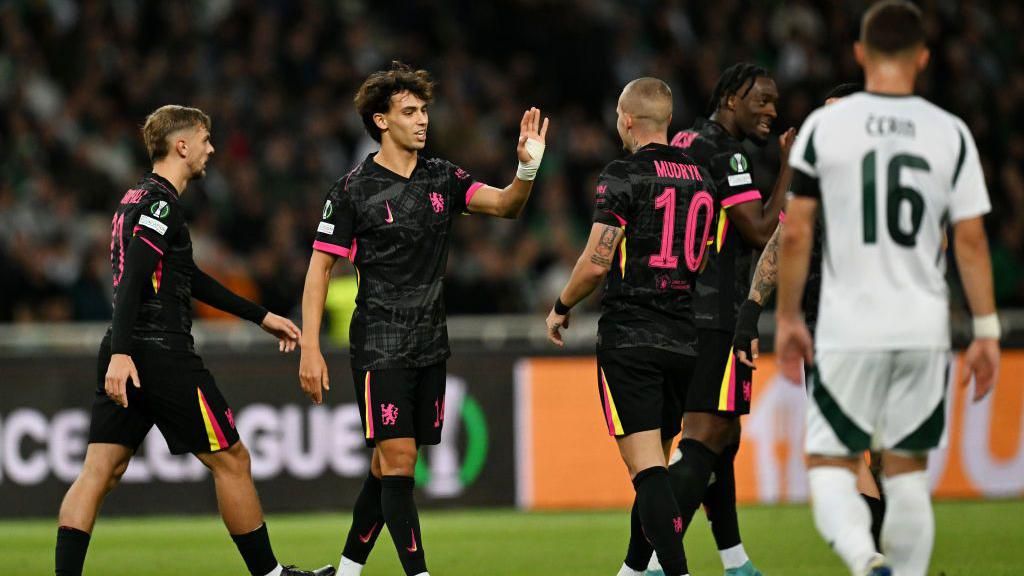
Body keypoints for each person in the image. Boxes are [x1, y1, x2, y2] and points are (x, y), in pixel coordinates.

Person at [54, 105, 333, 576]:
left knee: (101, 470)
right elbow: (135, 280)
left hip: (126, 347)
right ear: (181, 145)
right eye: (204, 139)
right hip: (159, 352)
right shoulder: (162, 204)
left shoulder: (134, 199)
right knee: (232, 459)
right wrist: (123, 354)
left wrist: (260, 315)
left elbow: (186, 277)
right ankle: (270, 574)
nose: (211, 149)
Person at [775, 2, 1000, 575]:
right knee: (906, 474)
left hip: (847, 324)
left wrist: (786, 320)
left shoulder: (824, 129)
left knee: (829, 464)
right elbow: (969, 243)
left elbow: (796, 230)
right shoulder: (950, 133)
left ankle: (863, 557)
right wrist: (986, 331)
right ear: (923, 57)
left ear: (860, 53)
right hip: (922, 326)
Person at [298, 61, 548, 576]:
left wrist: (525, 168)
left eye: (424, 110)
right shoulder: (352, 190)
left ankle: (346, 571)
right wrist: (309, 346)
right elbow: (320, 268)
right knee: (401, 462)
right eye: (409, 111)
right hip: (380, 342)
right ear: (380, 121)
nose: (422, 120)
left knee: (384, 465)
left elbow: (505, 206)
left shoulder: (443, 176)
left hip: (431, 341)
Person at [546, 77, 716, 576]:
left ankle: (678, 572)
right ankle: (632, 571)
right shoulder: (702, 178)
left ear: (626, 120)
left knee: (648, 474)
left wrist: (561, 305)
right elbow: (702, 257)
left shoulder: (623, 174)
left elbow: (597, 261)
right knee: (656, 468)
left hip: (632, 337)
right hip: (685, 337)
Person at [641, 63, 794, 576]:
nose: (771, 110)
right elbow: (757, 230)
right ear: (730, 98)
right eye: (761, 100)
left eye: (775, 102)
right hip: (717, 313)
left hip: (678, 307)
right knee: (705, 439)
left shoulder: (685, 139)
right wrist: (791, 167)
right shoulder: (728, 155)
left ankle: (736, 561)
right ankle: (644, 566)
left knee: (721, 438)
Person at [732, 82, 887, 548]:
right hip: (827, 326)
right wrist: (751, 308)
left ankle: (878, 553)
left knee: (866, 454)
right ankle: (881, 555)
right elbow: (783, 241)